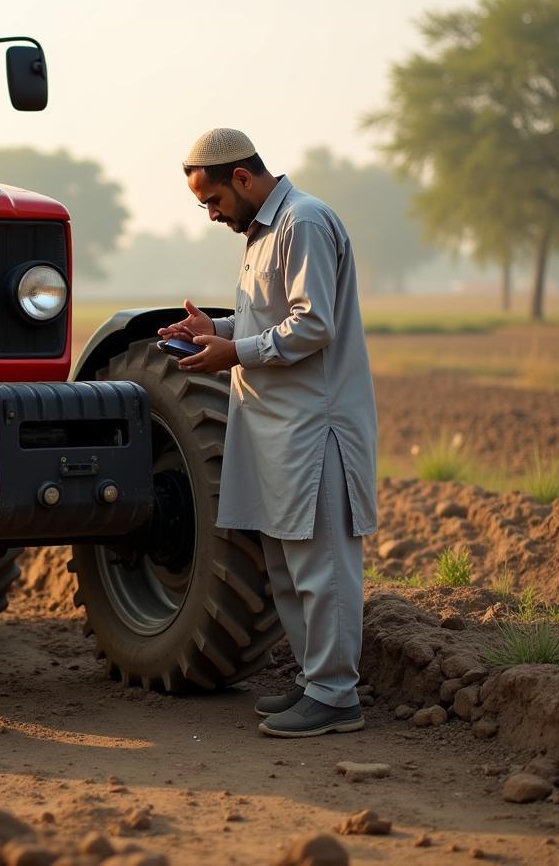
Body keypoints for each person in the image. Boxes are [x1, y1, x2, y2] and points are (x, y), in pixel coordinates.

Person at [158, 127, 377, 738]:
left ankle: (337, 696)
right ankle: (315, 686)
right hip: (277, 428)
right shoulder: (260, 232)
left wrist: (234, 350)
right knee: (285, 563)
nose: (211, 215)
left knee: (322, 564)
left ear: (244, 180)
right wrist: (216, 330)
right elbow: (268, 319)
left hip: (317, 427)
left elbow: (314, 325)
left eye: (215, 202)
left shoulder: (303, 222)